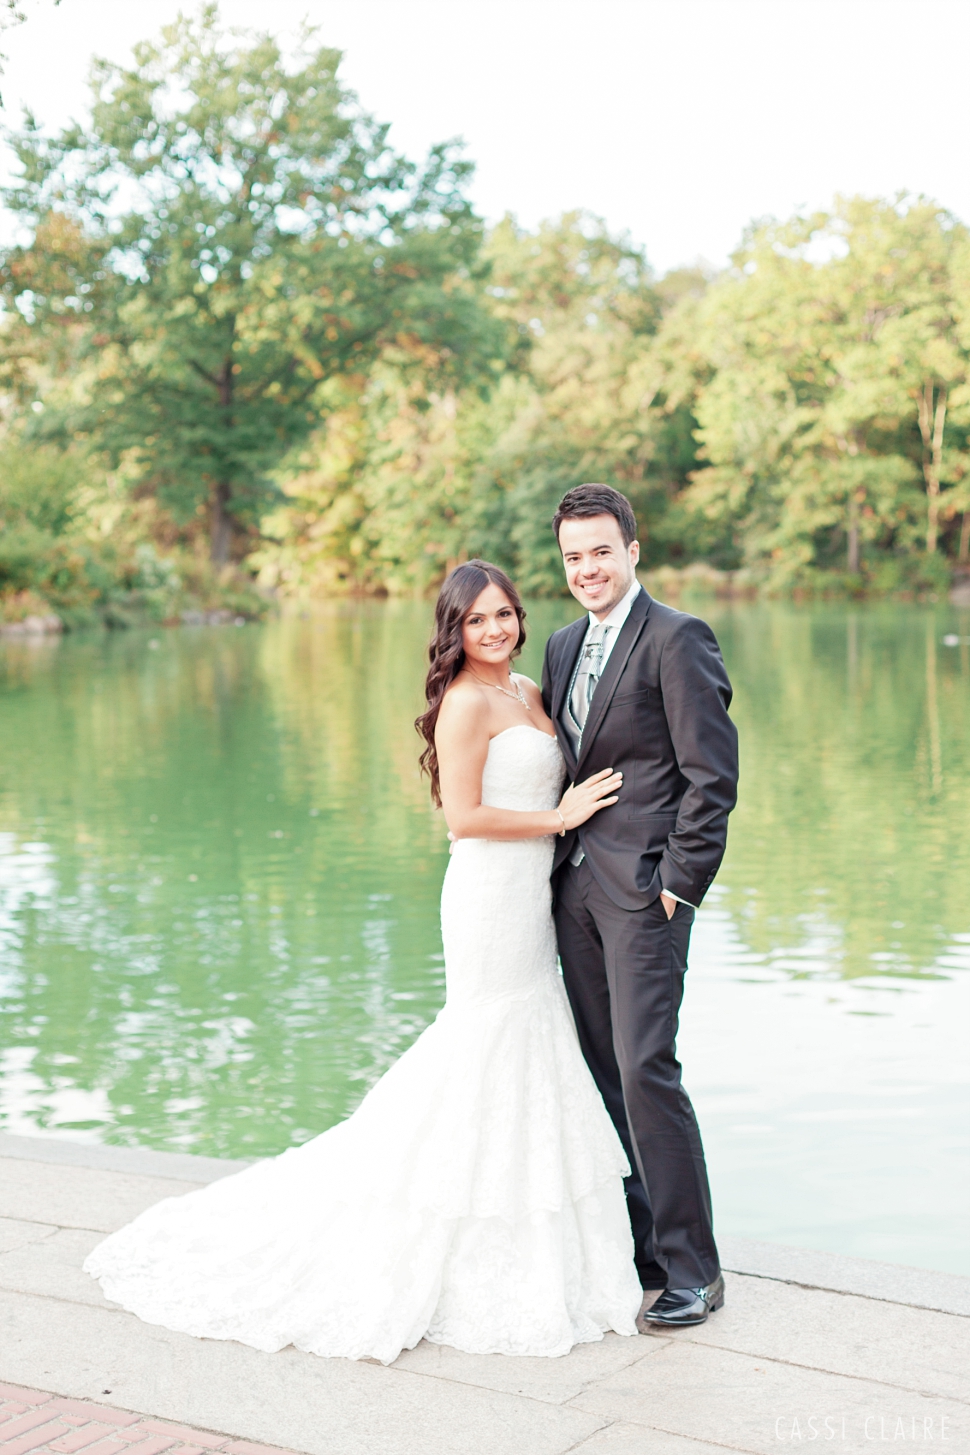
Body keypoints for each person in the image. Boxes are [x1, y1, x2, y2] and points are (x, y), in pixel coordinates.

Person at [84, 560, 644, 1364]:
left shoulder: (528, 689)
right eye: (478, 619)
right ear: (454, 630)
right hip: (488, 893)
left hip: (533, 895)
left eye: (505, 614)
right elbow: (462, 815)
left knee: (528, 1042)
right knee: (484, 1042)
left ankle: (538, 1241)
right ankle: (441, 1215)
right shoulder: (464, 702)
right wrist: (557, 816)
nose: (495, 629)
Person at [542, 483, 739, 1327]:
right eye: (573, 555)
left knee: (647, 1068)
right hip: (574, 890)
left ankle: (696, 1268)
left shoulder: (677, 637)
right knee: (601, 1071)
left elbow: (712, 776)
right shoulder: (559, 645)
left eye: (600, 550)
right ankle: (644, 1248)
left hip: (646, 895)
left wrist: (676, 884)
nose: (587, 568)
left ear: (632, 550)